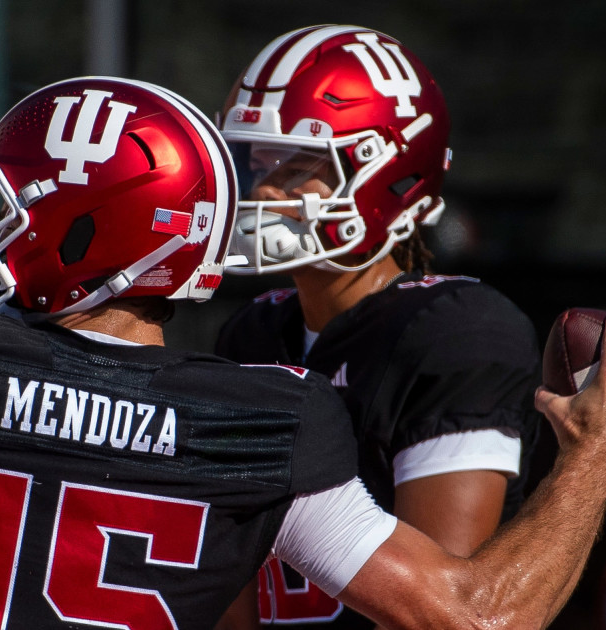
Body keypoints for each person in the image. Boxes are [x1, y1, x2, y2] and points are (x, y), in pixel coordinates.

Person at [0, 76, 606, 630]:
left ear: (84, 230)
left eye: (17, 210)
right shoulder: (267, 415)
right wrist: (596, 459)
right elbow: (474, 616)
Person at [211, 24, 543, 627]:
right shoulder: (252, 334)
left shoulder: (455, 333)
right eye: (255, 162)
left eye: (296, 165)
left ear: (391, 175)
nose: (263, 190)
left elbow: (442, 615)